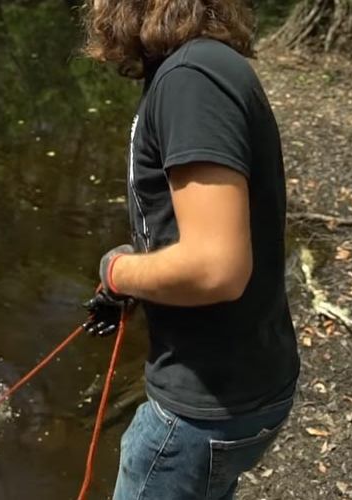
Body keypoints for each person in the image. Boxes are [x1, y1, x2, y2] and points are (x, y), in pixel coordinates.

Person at [80, 1, 300, 498]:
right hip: (244, 387)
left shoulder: (191, 79)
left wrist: (118, 273)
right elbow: (201, 235)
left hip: (200, 413)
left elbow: (214, 268)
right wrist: (144, 267)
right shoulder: (194, 69)